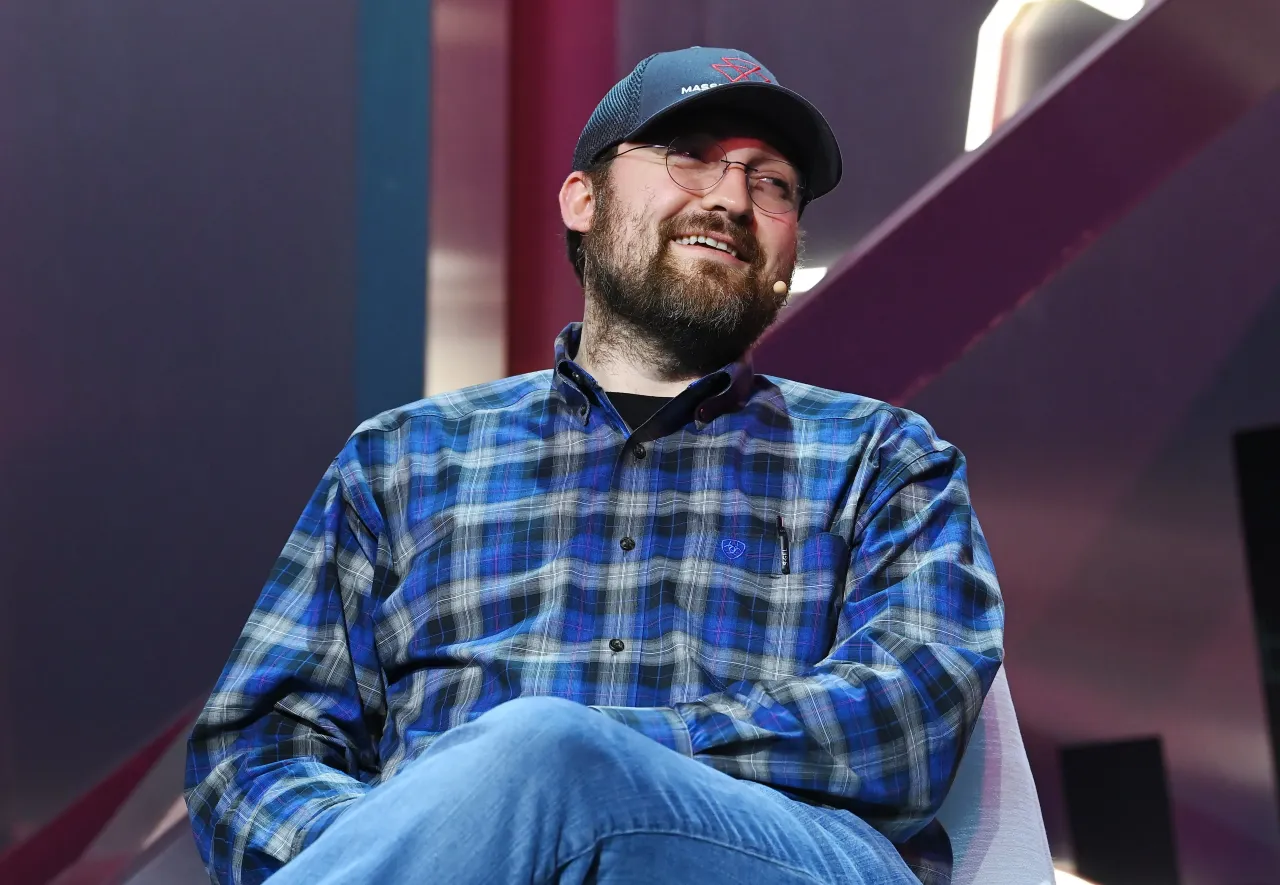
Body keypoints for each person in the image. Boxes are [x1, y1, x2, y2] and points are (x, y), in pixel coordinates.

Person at [185, 46, 1004, 885]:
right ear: (583, 199)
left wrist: (576, 760)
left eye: (774, 185)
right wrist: (455, 827)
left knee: (546, 749)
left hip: (775, 854)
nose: (732, 199)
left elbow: (910, 713)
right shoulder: (402, 459)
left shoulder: (881, 456)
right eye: (691, 156)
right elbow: (256, 757)